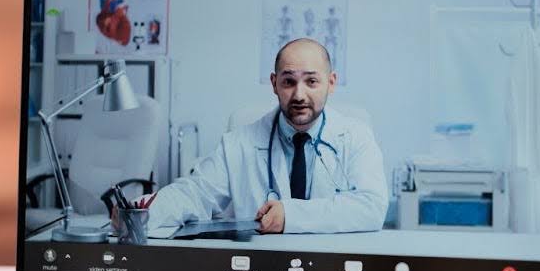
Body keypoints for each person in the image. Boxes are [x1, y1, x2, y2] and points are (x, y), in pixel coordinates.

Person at [144, 39, 389, 235]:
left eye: (312, 81)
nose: (299, 95)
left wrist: (290, 216)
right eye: (289, 81)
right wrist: (143, 211)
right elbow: (195, 193)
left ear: (331, 83)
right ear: (274, 83)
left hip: (334, 270)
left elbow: (372, 207)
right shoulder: (238, 143)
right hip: (261, 270)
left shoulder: (356, 136)